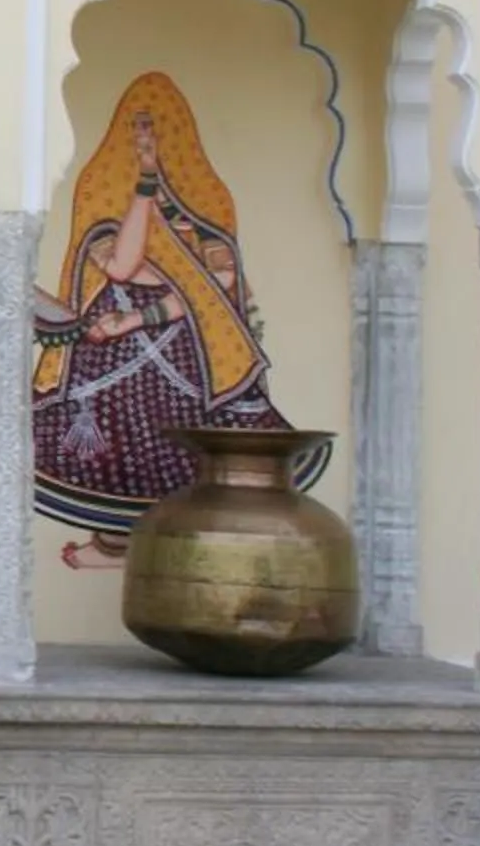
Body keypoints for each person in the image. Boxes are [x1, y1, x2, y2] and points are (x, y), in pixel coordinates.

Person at [30, 71, 308, 568]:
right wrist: (143, 187)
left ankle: (174, 548)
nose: (145, 140)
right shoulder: (102, 204)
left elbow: (225, 286)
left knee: (178, 455)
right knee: (116, 453)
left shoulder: (208, 214)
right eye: (136, 131)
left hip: (186, 354)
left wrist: (142, 316)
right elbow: (120, 265)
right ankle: (117, 545)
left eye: (155, 132)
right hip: (112, 359)